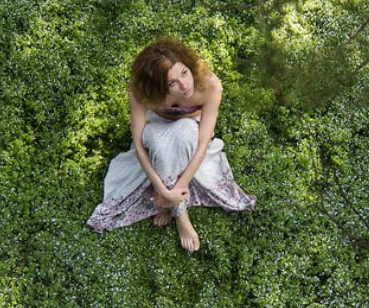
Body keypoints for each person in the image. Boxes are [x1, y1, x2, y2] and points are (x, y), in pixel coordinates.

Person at [87, 38, 255, 252]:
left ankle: (173, 209)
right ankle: (179, 212)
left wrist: (173, 192)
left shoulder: (210, 85)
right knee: (159, 142)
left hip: (191, 131)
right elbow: (139, 144)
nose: (184, 85)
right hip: (156, 127)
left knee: (183, 133)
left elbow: (203, 144)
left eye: (184, 73)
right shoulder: (141, 91)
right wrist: (161, 188)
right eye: (171, 83)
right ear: (157, 86)